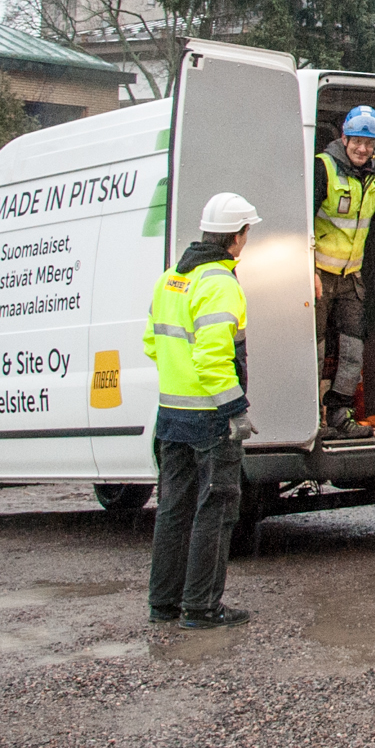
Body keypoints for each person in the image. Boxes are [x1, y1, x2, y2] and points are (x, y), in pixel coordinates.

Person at [146, 192, 260, 630]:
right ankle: (201, 608)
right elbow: (213, 358)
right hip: (210, 418)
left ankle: (164, 604)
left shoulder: (170, 280)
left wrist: (181, 384)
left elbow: (152, 343)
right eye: (247, 232)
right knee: (215, 509)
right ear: (236, 236)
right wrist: (235, 409)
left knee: (173, 508)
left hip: (170, 414)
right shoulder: (219, 284)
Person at [313, 105, 375, 439]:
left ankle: (340, 415)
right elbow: (301, 221)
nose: (363, 149)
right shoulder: (323, 168)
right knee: (314, 348)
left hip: (351, 276)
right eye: (358, 141)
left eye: (370, 143)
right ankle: (312, 418)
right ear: (344, 138)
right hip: (318, 274)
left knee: (353, 349)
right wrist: (306, 268)